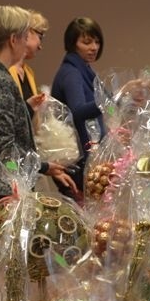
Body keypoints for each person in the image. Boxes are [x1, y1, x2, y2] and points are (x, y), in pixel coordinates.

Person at [0, 5, 76, 258]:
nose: (29, 44)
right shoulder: (0, 81)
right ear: (13, 39)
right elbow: (6, 150)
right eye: (26, 36)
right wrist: (43, 167)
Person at [50, 17, 105, 198]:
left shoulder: (86, 70)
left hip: (89, 153)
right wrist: (112, 101)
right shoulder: (72, 72)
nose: (94, 47)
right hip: (78, 160)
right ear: (73, 44)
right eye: (86, 42)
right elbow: (79, 111)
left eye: (97, 42)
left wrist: (120, 103)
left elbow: (108, 107)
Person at [11, 9, 48, 120]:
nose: (40, 46)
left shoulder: (29, 72)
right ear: (27, 32)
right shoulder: (5, 71)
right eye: (40, 37)